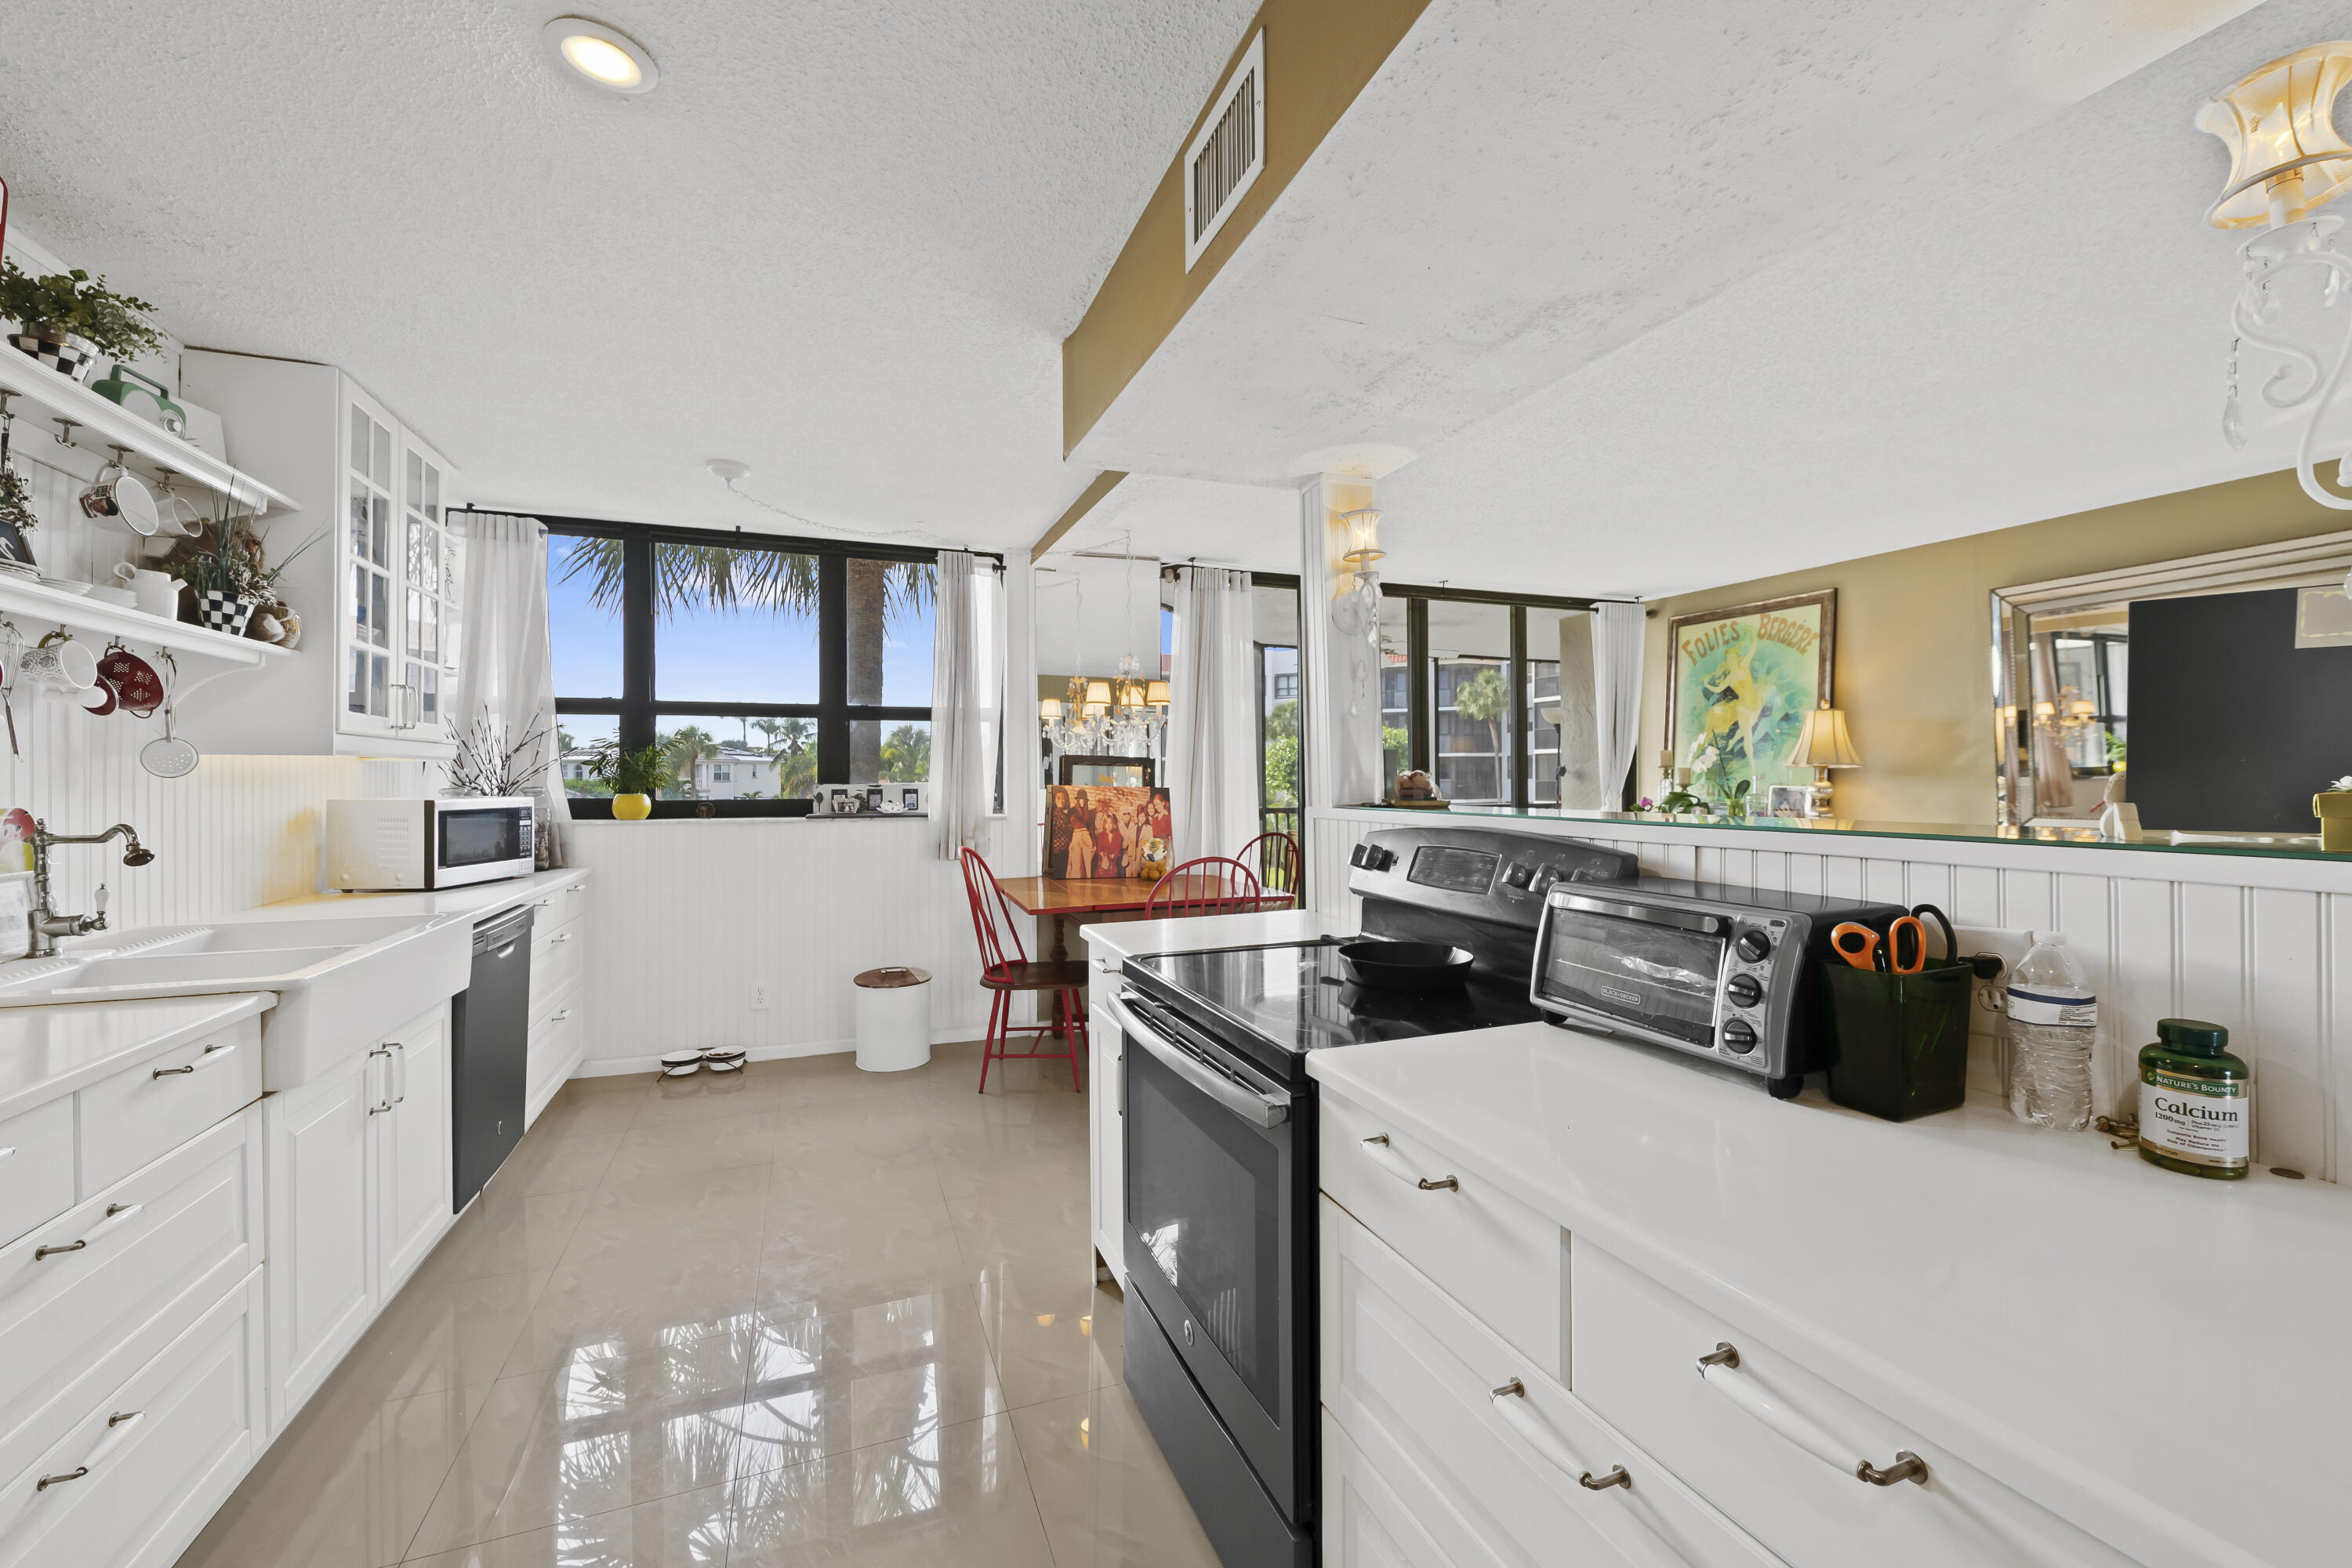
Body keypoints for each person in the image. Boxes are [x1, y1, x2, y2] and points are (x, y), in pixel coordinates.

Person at [1066, 809, 1097, 881]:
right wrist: (1070, 841)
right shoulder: (1072, 811)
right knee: (1077, 866)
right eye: (1080, 799)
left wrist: (1094, 843)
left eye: (1084, 799)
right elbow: (1069, 828)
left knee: (1089, 865)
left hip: (1086, 836)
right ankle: (1077, 888)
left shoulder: (1089, 813)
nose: (1082, 801)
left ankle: (1089, 887)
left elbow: (1091, 828)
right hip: (1076, 836)